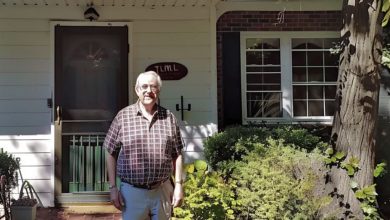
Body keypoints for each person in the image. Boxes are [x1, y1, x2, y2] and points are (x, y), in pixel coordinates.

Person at [103, 71, 184, 219]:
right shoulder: (123, 117)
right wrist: (113, 187)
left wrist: (178, 185)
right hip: (132, 192)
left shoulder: (169, 117)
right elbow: (110, 151)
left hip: (162, 190)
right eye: (144, 86)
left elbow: (177, 153)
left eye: (153, 87)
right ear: (137, 89)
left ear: (158, 90)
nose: (148, 91)